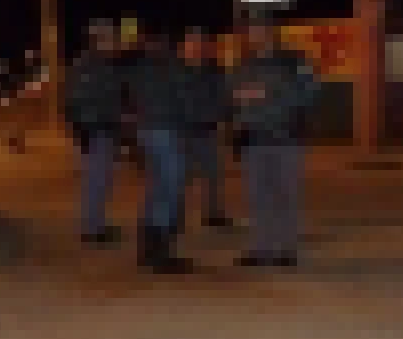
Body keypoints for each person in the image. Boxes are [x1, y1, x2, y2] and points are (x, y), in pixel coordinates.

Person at [229, 14, 320, 268]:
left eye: (260, 30)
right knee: (257, 196)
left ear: (272, 33)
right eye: (251, 32)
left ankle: (287, 249)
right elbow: (232, 95)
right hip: (254, 139)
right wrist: (240, 103)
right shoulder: (243, 65)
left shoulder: (294, 61)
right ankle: (261, 248)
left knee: (286, 195)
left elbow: (311, 91)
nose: (255, 36)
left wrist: (270, 94)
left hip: (285, 137)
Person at [125, 25, 195, 273]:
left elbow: (131, 101)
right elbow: (184, 101)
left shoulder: (139, 68)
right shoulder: (172, 67)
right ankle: (160, 251)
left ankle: (148, 247)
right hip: (166, 131)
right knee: (170, 188)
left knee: (157, 188)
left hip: (146, 132)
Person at [63, 19, 126, 246]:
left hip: (105, 129)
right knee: (96, 180)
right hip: (95, 129)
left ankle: (97, 222)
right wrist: (84, 130)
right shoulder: (88, 65)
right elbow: (77, 101)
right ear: (99, 40)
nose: (115, 43)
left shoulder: (104, 64)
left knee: (103, 179)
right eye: (111, 39)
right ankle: (91, 229)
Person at [175, 27, 236, 230]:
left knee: (213, 175)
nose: (196, 46)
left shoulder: (214, 69)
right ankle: (175, 215)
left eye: (200, 41)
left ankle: (213, 214)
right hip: (182, 132)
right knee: (180, 177)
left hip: (208, 130)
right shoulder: (175, 69)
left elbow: (224, 96)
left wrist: (225, 119)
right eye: (192, 41)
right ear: (183, 45)